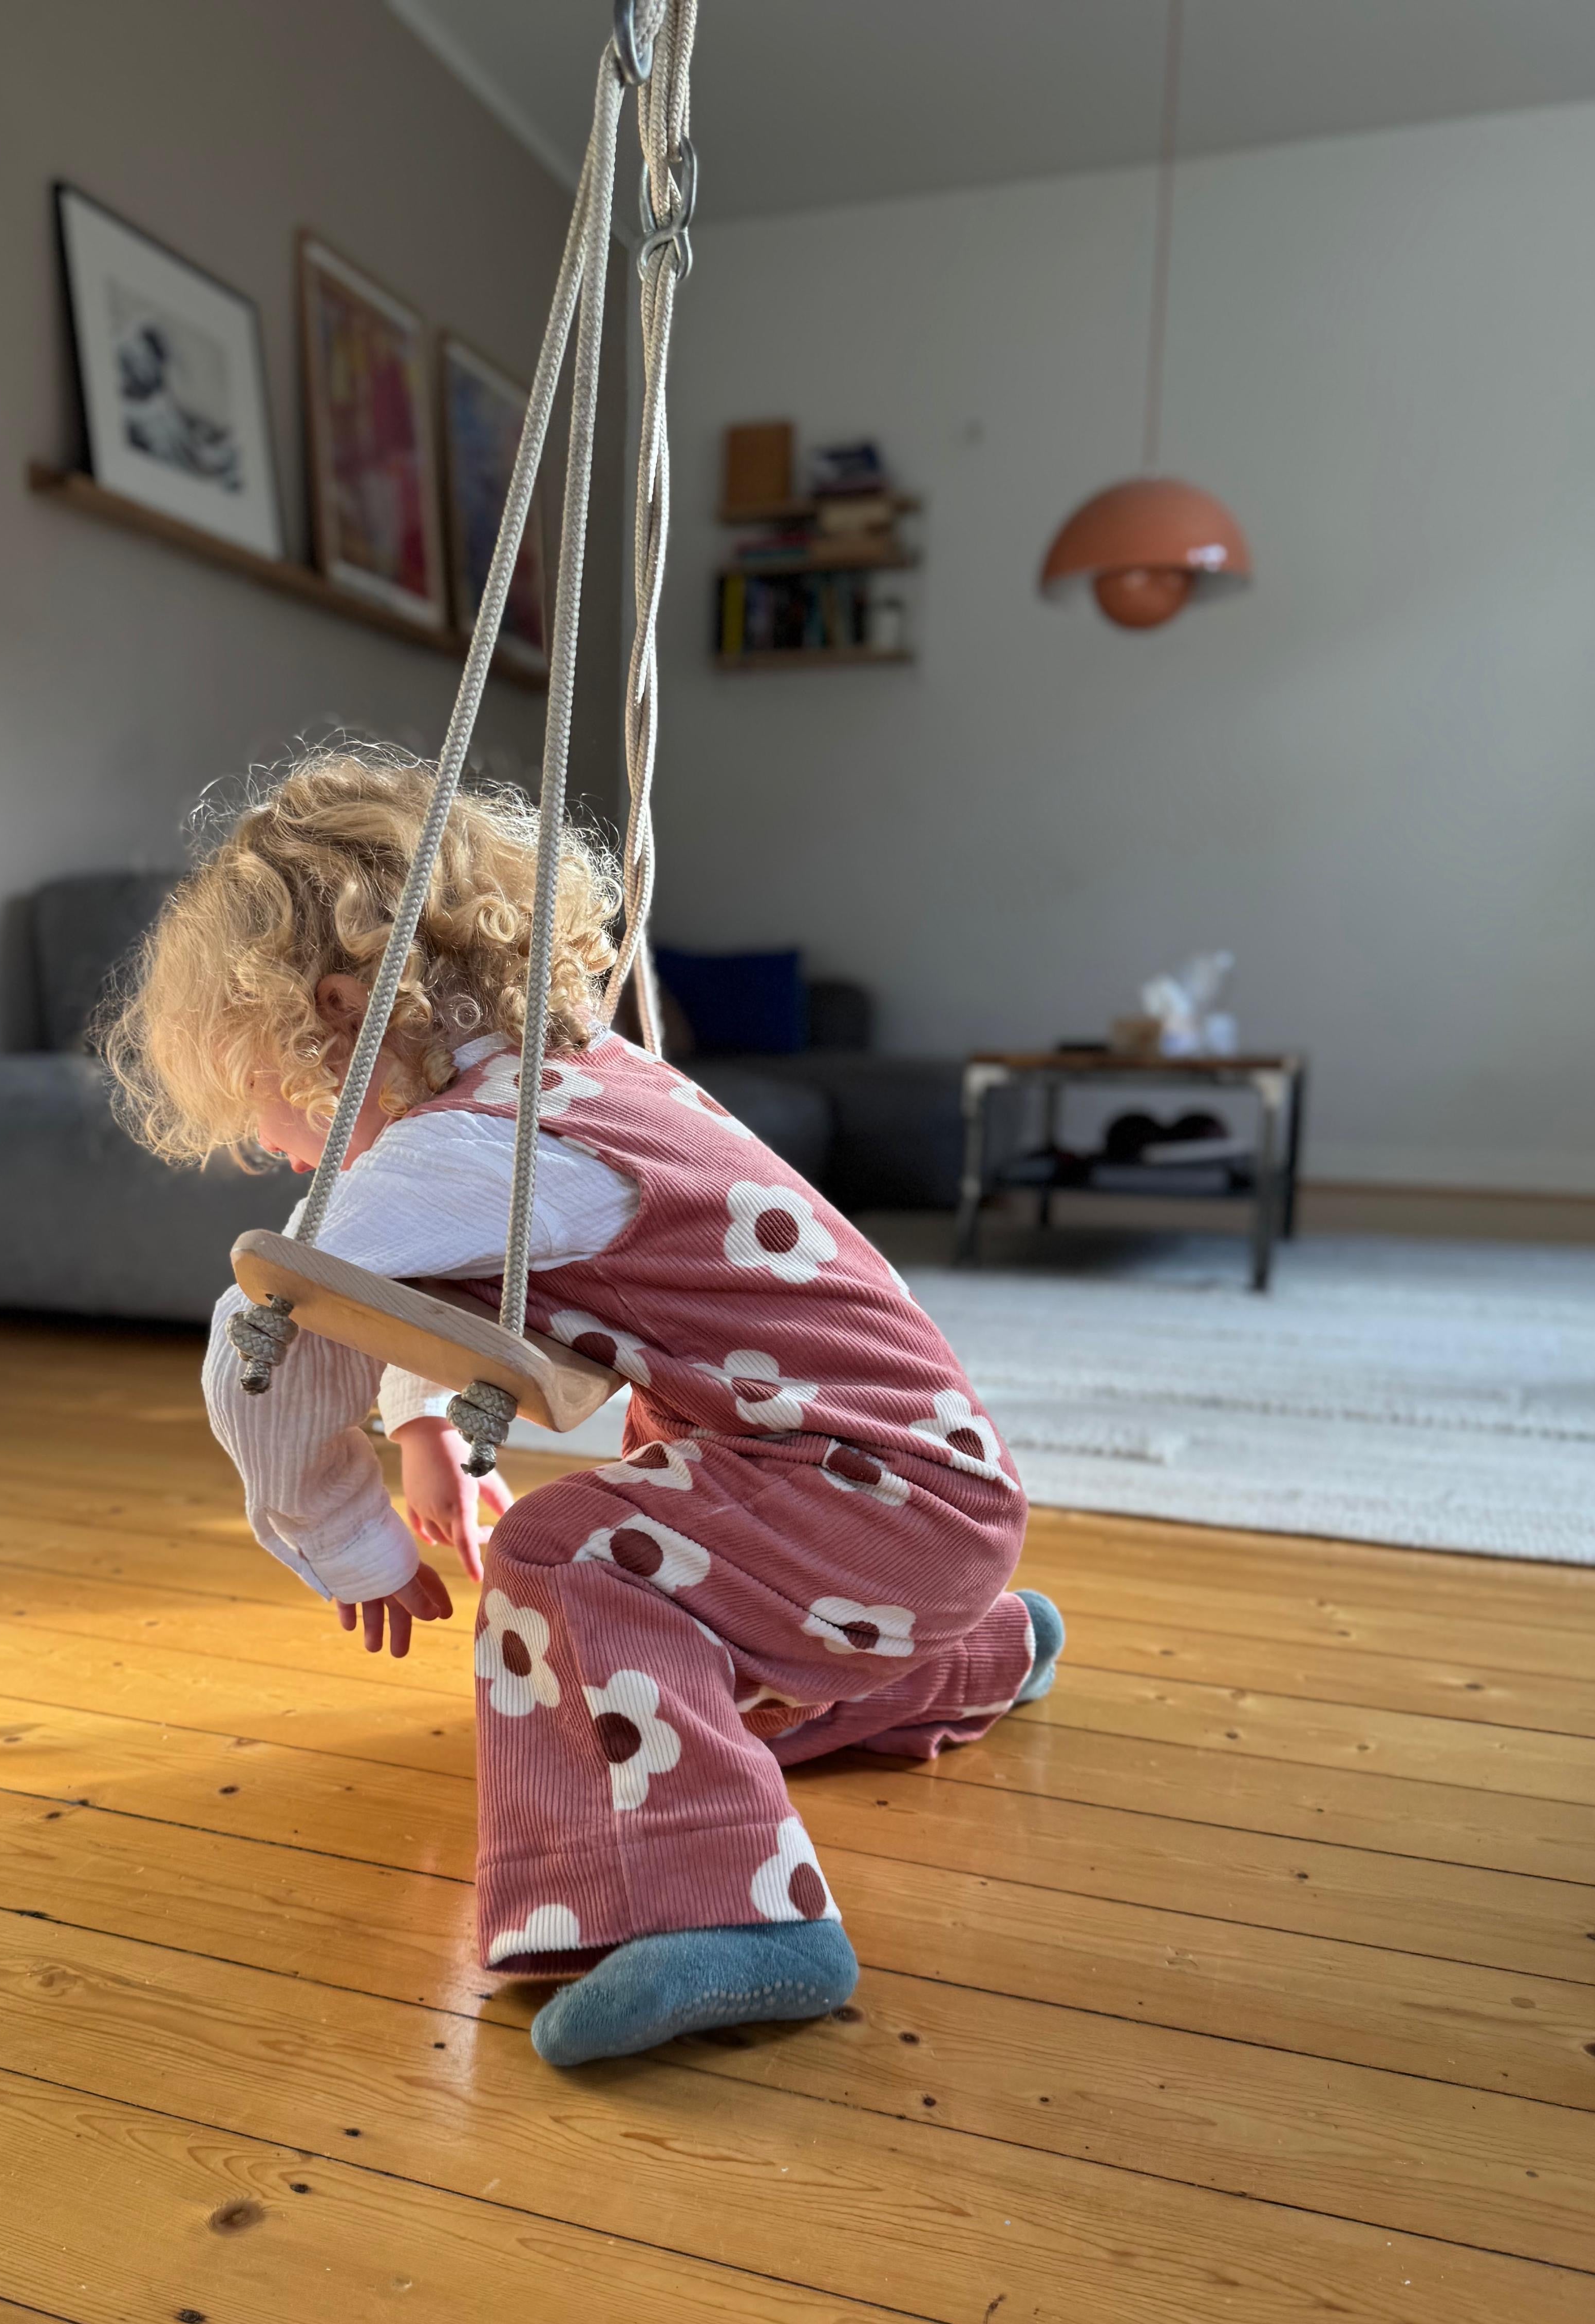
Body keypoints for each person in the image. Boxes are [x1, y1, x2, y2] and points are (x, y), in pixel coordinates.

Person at [105, 746, 1063, 2067]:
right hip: (922, 1500)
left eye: (263, 1092)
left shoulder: (475, 1149)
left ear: (340, 1015)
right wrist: (430, 1427)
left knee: (566, 1563)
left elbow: (272, 1327)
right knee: (656, 1570)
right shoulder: (575, 1082)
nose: (268, 1141)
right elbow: (453, 1281)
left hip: (875, 1499)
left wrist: (346, 1533)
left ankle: (734, 1918)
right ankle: (971, 1652)